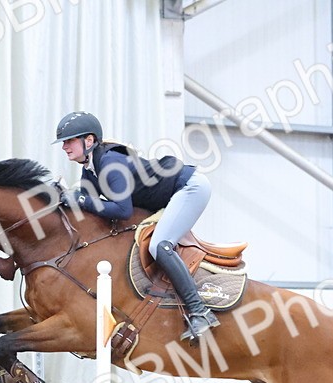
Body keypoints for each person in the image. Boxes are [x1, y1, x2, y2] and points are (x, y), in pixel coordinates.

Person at [53, 111, 219, 341]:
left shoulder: (110, 163)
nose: (64, 147)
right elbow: (84, 204)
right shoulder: (90, 168)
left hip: (190, 187)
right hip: (171, 193)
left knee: (160, 246)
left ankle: (200, 312)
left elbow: (122, 211)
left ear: (88, 141)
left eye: (69, 141)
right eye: (64, 142)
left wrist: (78, 199)